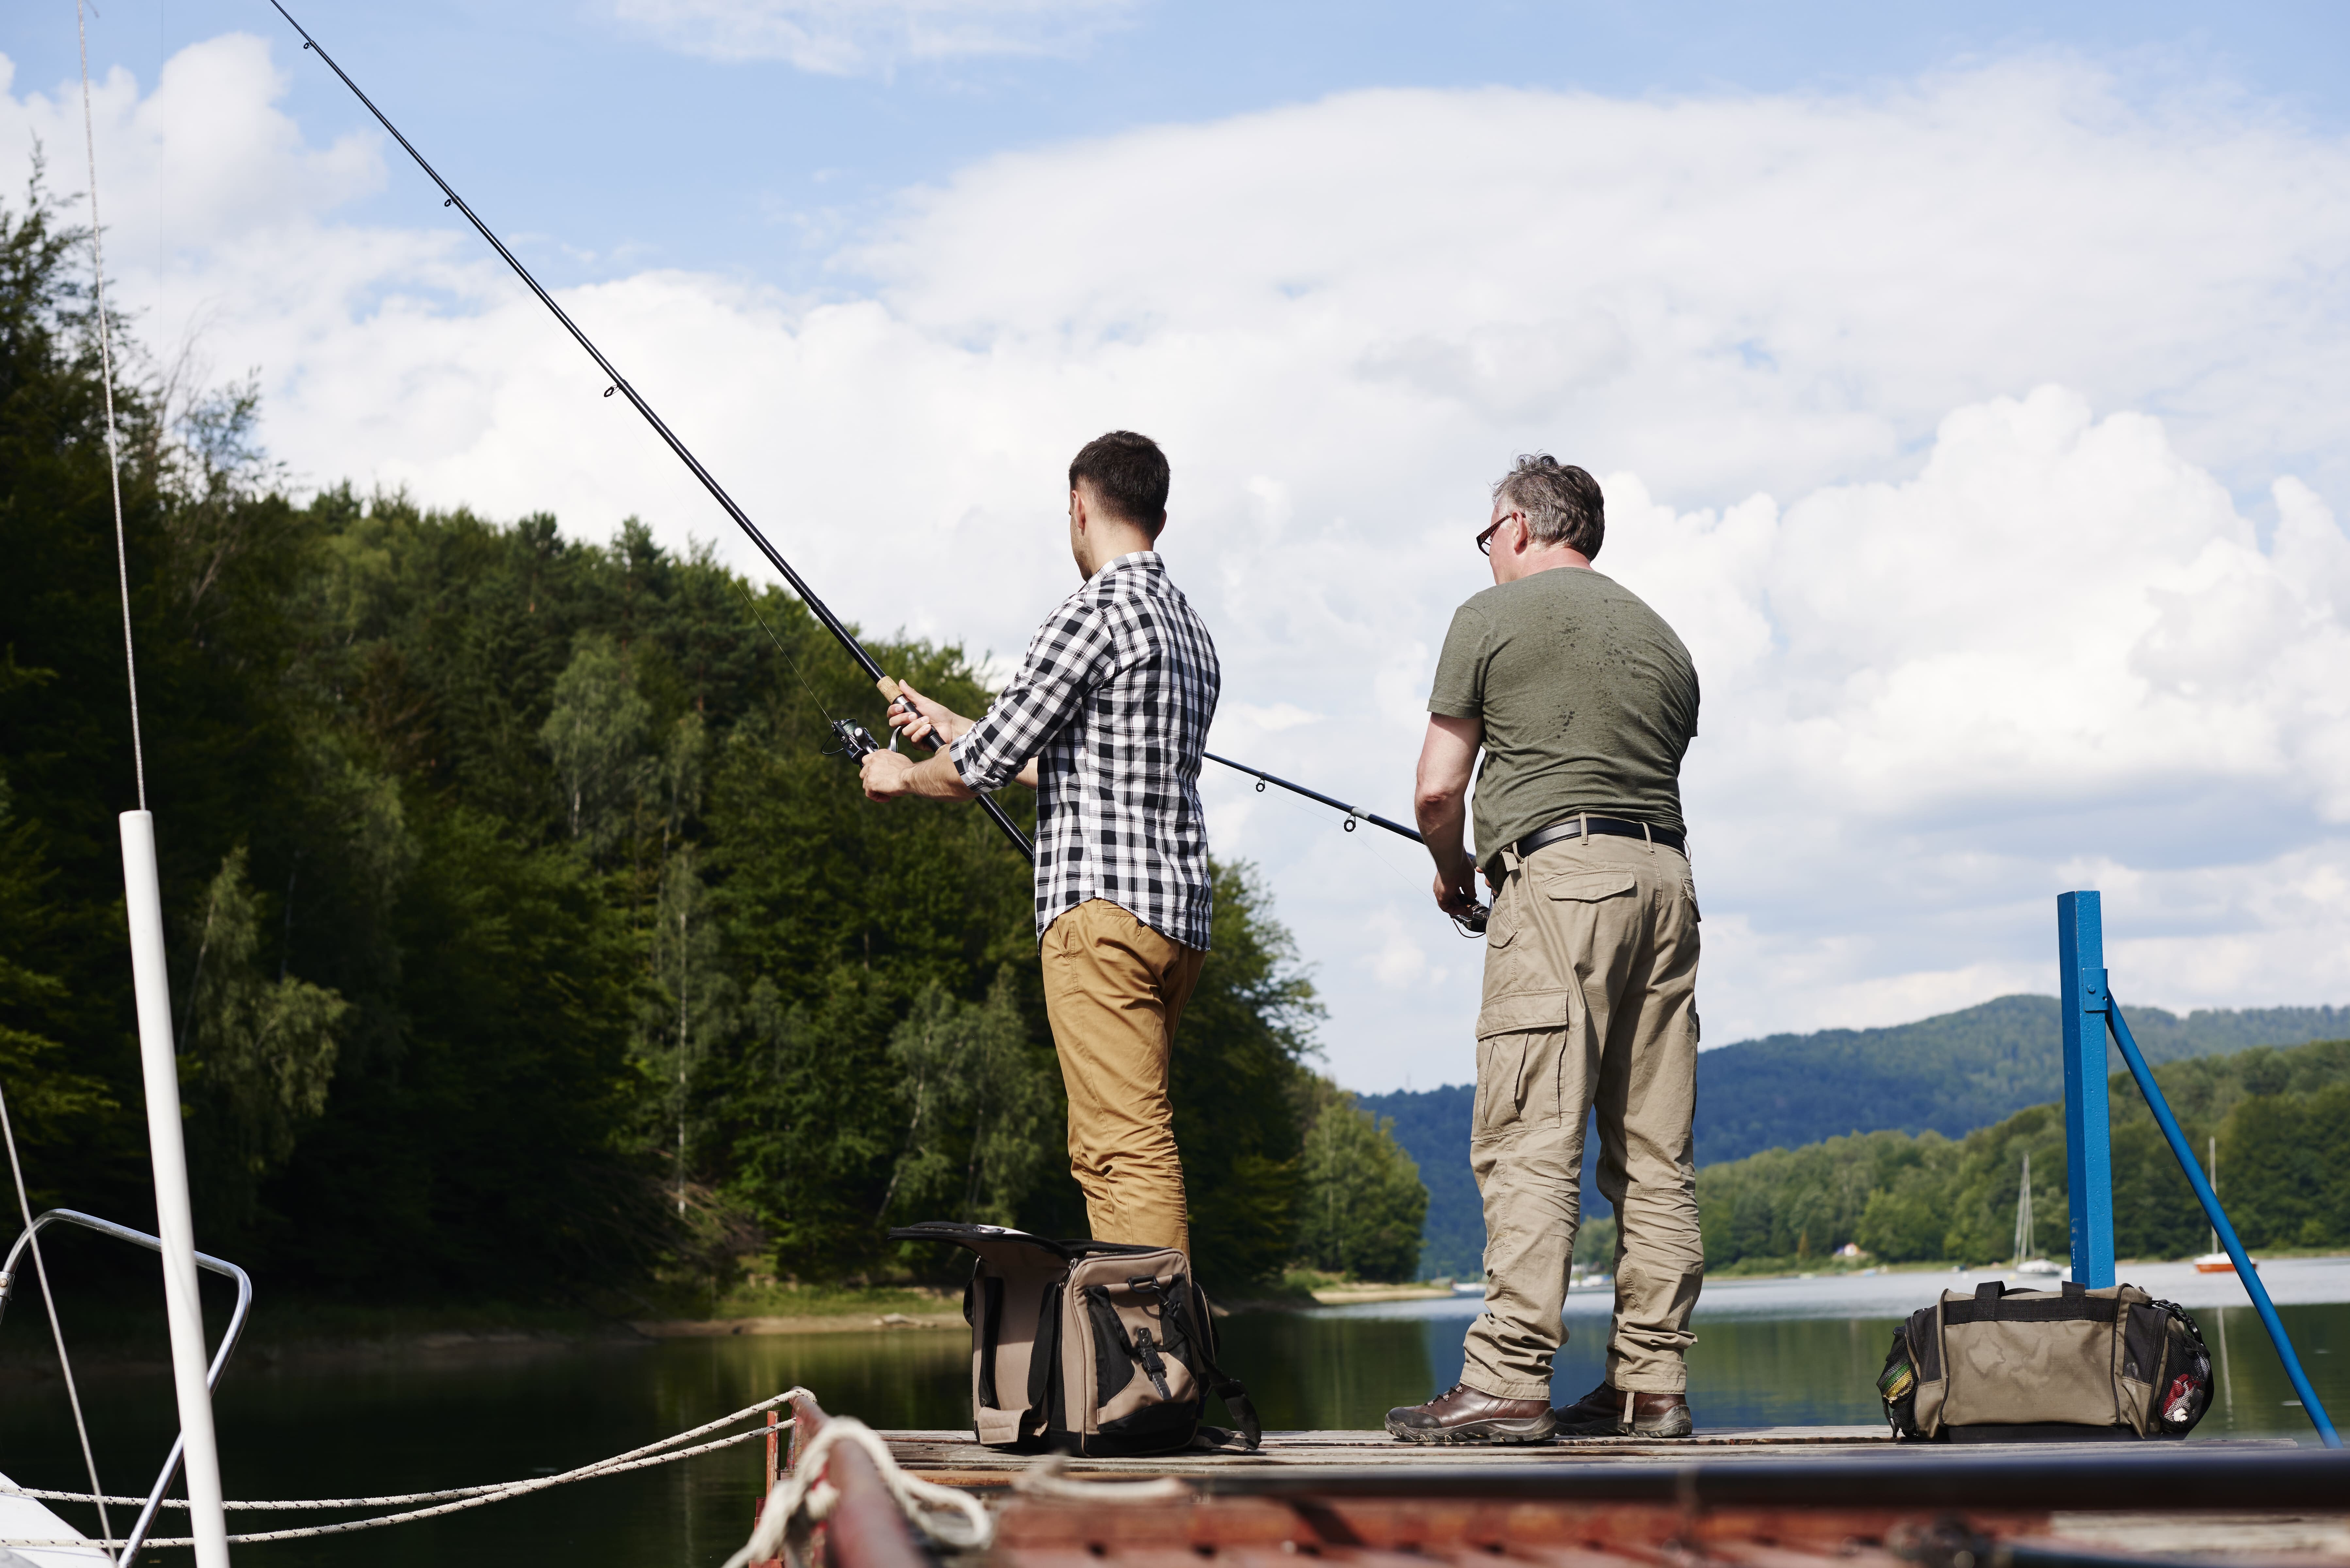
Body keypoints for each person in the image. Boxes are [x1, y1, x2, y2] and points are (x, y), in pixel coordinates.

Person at [1386, 454, 1703, 1445]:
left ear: (1519, 527)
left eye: (1487, 536)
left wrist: (1453, 871)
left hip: (1559, 884)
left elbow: (1439, 790)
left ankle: (1509, 1379)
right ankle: (1652, 1387)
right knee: (1655, 1154)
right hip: (1669, 885)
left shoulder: (1491, 618)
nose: (1487, 554)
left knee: (1531, 1131)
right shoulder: (1664, 638)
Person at [859, 431, 1220, 1256]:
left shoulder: (1093, 612)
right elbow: (1083, 765)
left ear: (1079, 506)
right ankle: (1157, 1351)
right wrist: (950, 725)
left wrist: (899, 774)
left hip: (1099, 919)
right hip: (1174, 923)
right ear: (1157, 517)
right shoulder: (1188, 631)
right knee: (1140, 1134)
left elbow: (979, 768)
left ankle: (1150, 1362)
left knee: (1118, 1150)